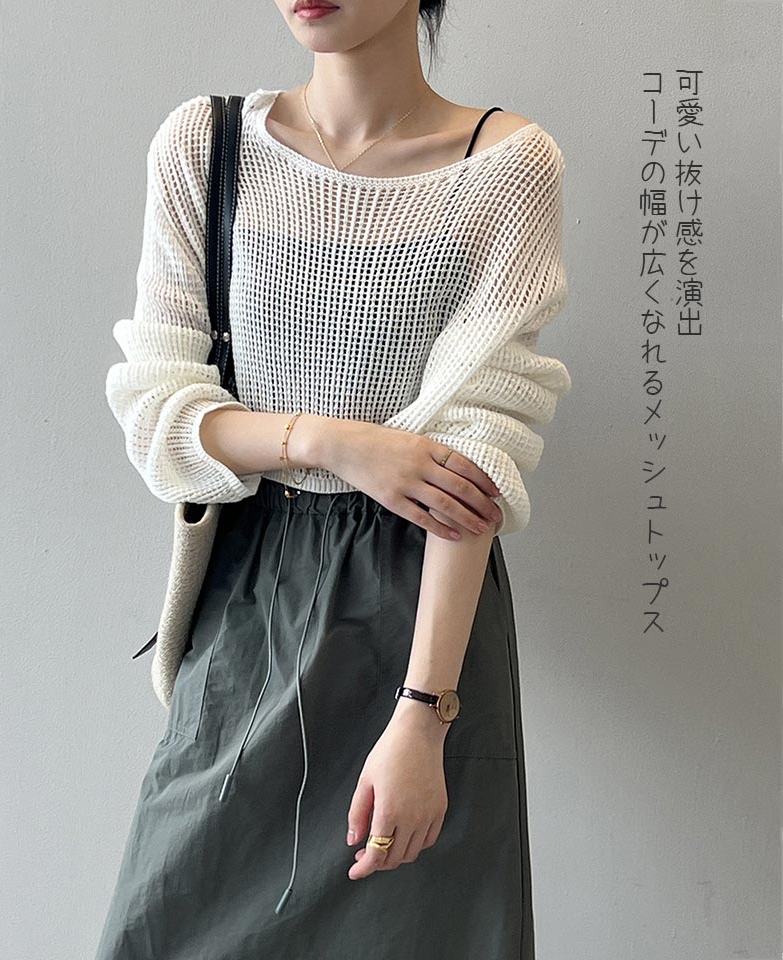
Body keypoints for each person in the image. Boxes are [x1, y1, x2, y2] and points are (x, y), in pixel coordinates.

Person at [94, 0, 572, 957]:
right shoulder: (207, 146)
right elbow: (158, 411)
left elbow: (476, 460)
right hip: (250, 603)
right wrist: (331, 442)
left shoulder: (507, 164)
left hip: (418, 609)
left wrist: (424, 716)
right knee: (170, 914)